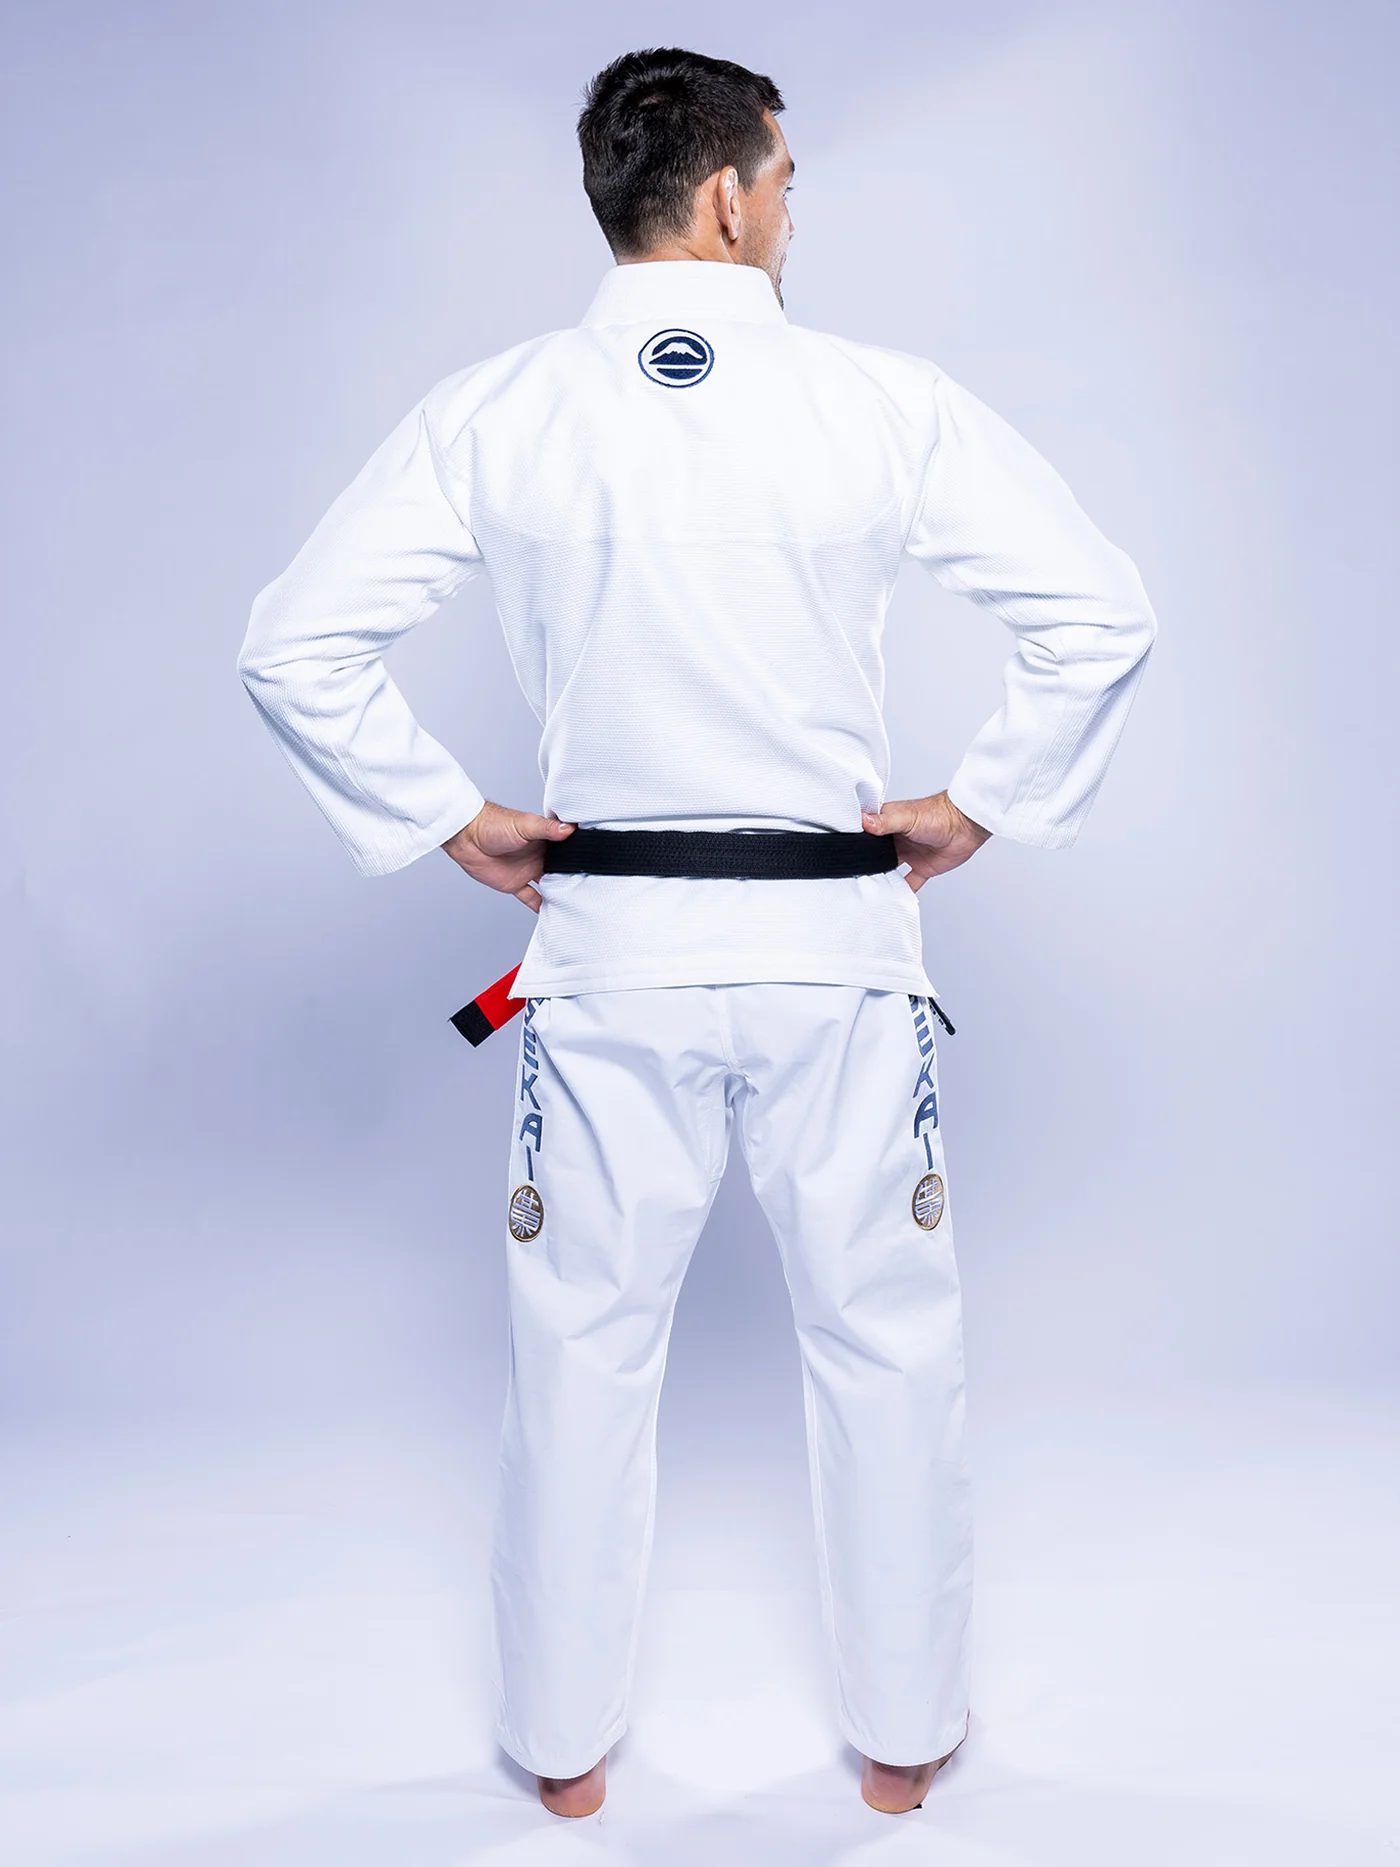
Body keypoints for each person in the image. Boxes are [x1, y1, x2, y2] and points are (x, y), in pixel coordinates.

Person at [238, 46, 1157, 1818]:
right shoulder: (880, 402)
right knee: (887, 1346)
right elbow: (1100, 614)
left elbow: (292, 642)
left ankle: (562, 1756)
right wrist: (985, 796)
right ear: (730, 197)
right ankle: (906, 1743)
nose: (796, 214)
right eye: (788, 182)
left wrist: (444, 810)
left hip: (609, 958)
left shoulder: (501, 410)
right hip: (835, 956)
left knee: (579, 1353)